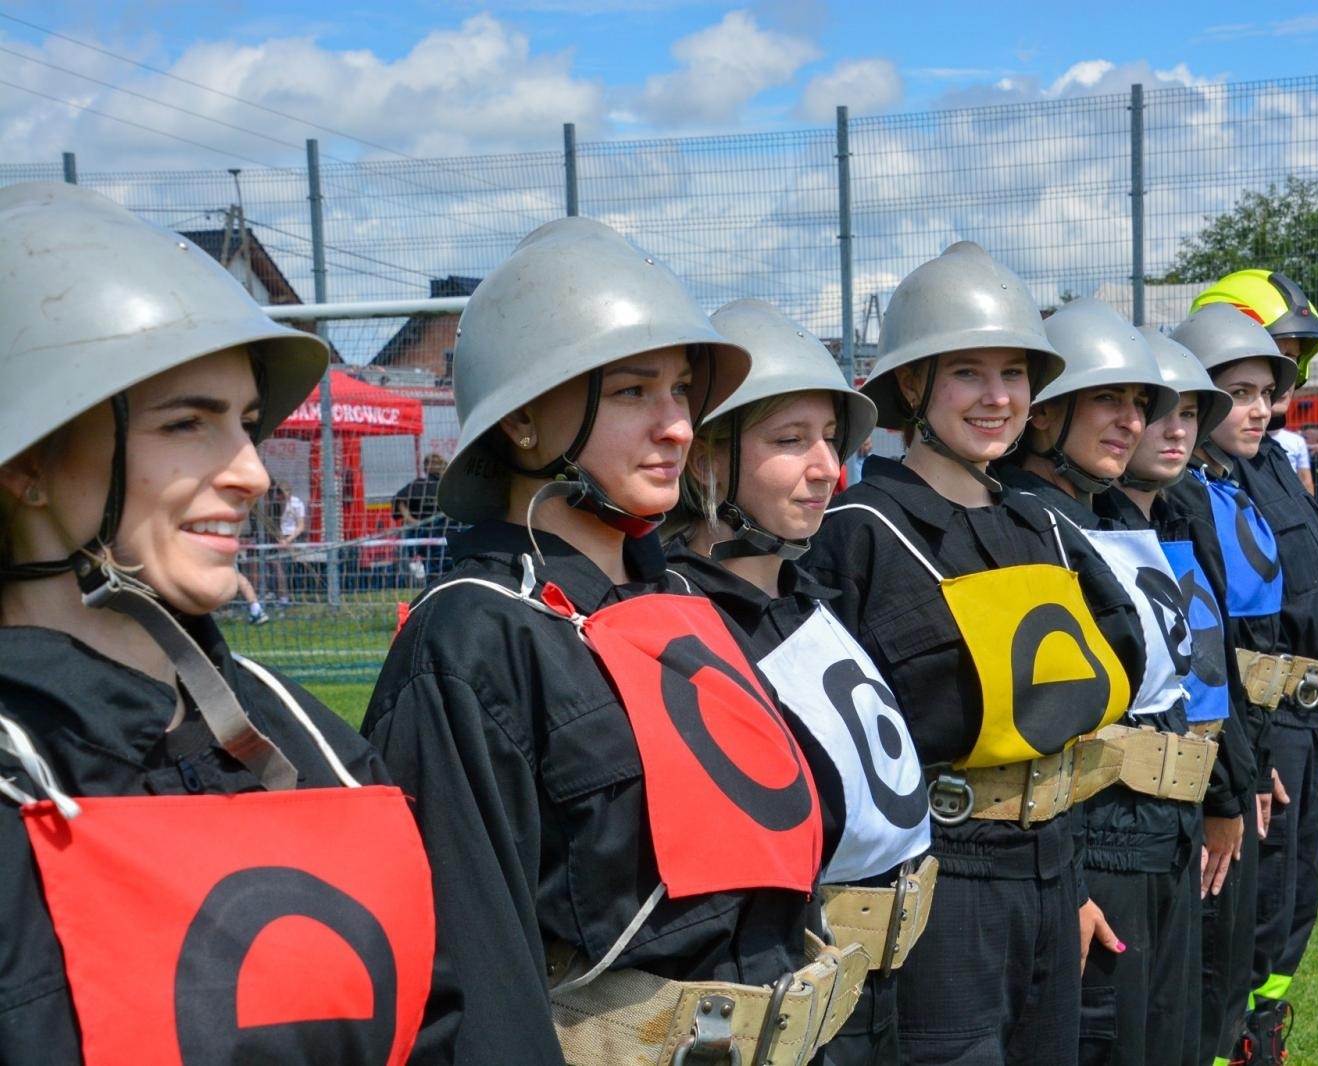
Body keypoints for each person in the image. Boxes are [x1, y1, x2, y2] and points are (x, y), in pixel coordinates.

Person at [363, 218, 867, 1066]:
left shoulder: (676, 596)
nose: (677, 427)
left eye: (680, 391)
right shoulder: (472, 635)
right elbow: (473, 979)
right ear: (522, 421)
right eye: (635, 392)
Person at [0, 182, 455, 1063]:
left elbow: (442, 1016)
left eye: (245, 424)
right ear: (28, 466)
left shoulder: (309, 739)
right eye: (187, 424)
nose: (252, 472)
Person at [806, 241, 1119, 1066]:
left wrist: (1073, 890)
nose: (997, 397)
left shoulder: (1041, 525)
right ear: (913, 386)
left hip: (1053, 873)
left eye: (1013, 374)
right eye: (968, 374)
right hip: (943, 892)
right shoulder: (857, 533)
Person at [669, 298, 936, 1065]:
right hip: (791, 1003)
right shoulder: (680, 626)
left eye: (829, 439)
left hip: (886, 982)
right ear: (706, 459)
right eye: (791, 442)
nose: (828, 467)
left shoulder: (803, 599)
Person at [996, 298, 1207, 1066]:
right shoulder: (1024, 526)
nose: (1132, 421)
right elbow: (1043, 725)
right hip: (1100, 851)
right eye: (1107, 400)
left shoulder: (1103, 515)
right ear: (1047, 414)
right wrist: (1072, 880)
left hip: (1158, 836)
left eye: (1137, 403)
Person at [1187, 271, 1318, 1066]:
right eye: (1247, 378)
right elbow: (1220, 631)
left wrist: (1313, 719)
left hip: (1297, 718)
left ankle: (1263, 1032)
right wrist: (1250, 752)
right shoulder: (1200, 482)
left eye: (1284, 365)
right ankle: (1231, 1041)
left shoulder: (1268, 464)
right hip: (1258, 723)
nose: (1266, 398)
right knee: (1247, 908)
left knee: (1292, 901)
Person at [1168, 305, 1298, 1066]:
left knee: (1265, 919)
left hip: (1252, 739)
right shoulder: (1182, 499)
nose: (1258, 409)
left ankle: (1254, 1034)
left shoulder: (1232, 482)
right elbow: (1206, 653)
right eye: (1236, 392)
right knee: (1213, 943)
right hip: (1214, 755)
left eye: (1263, 393)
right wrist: (1233, 774)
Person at [393, 452, 448, 580]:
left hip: (447, 534)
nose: (437, 466)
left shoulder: (449, 484)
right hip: (426, 534)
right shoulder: (419, 485)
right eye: (433, 463)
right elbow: (399, 499)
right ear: (426, 467)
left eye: (439, 463)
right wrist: (411, 520)